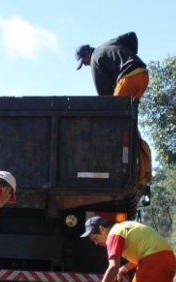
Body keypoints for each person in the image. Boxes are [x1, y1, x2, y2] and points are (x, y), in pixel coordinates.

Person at [75, 32, 152, 191]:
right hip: (143, 74)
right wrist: (129, 57)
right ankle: (139, 163)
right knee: (128, 123)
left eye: (84, 62)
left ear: (87, 54)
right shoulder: (110, 43)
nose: (86, 65)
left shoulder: (96, 59)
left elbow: (105, 99)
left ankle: (120, 165)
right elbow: (132, 36)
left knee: (114, 121)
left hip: (128, 78)